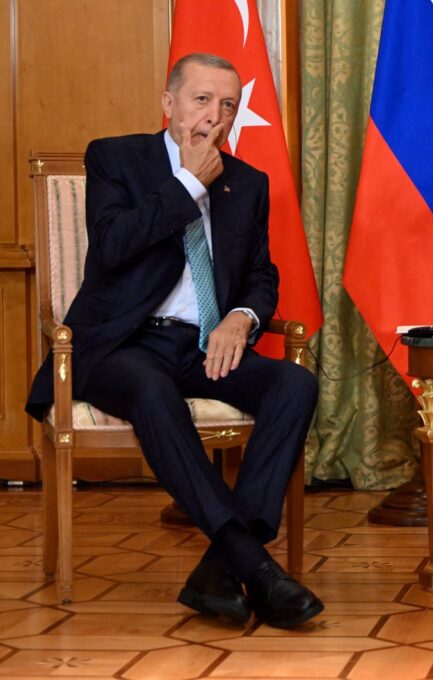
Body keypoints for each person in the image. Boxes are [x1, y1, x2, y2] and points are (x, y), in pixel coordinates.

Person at [25, 53, 323, 629]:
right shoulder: (116, 159)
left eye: (228, 104)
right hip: (120, 345)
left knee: (294, 382)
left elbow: (261, 276)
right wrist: (188, 180)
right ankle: (254, 566)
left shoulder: (249, 183)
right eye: (202, 99)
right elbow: (111, 247)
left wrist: (241, 316)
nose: (216, 114)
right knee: (152, 390)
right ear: (169, 105)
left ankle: (220, 567)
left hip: (205, 345)